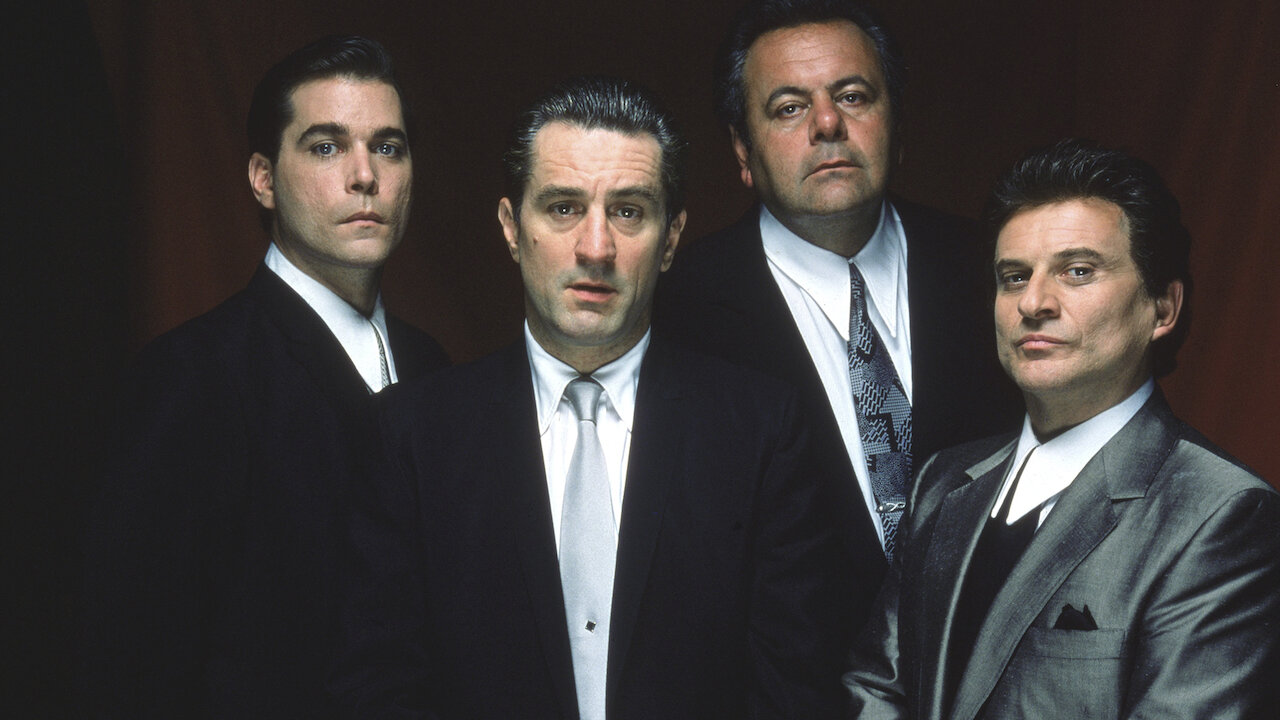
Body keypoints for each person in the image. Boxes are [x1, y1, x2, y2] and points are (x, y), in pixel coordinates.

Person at [333, 76, 850, 719]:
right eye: (563, 208)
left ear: (671, 238)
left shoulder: (761, 430)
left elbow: (794, 695)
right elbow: (378, 693)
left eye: (628, 211)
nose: (596, 247)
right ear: (511, 228)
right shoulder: (414, 434)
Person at [844, 139, 1280, 719]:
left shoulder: (1221, 512)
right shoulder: (943, 483)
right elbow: (876, 689)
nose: (1034, 303)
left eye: (1078, 271)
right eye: (1014, 276)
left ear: (1163, 307)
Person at [81, 35, 448, 718]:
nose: (364, 175)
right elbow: (132, 662)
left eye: (388, 147)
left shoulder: (433, 368)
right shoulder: (190, 378)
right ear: (263, 178)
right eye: (326, 146)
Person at [653, 0, 1020, 635]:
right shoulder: (676, 311)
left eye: (852, 97)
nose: (828, 123)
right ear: (742, 150)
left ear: (896, 124)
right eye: (788, 108)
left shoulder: (995, 269)